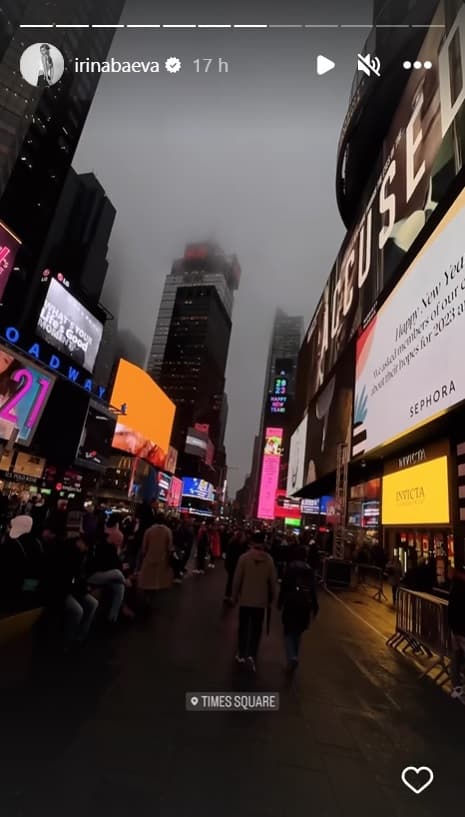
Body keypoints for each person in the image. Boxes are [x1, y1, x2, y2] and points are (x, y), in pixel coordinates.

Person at [41, 534, 99, 649]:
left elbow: (75, 577)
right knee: (78, 610)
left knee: (93, 603)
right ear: (80, 542)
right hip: (58, 590)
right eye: (86, 546)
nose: (86, 549)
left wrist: (82, 587)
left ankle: (80, 637)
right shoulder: (66, 551)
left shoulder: (80, 552)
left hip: (70, 587)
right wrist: (82, 588)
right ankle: (67, 643)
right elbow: (65, 579)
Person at [232, 530, 277, 672]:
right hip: (261, 602)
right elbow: (273, 582)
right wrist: (273, 599)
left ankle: (241, 653)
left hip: (245, 599)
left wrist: (234, 596)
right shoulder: (269, 560)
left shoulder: (244, 558)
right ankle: (252, 653)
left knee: (243, 627)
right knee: (257, 629)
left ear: (252, 543)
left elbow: (237, 579)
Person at [278, 545, 319, 668]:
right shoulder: (309, 570)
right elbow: (313, 590)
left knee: (288, 631)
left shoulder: (291, 568)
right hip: (305, 605)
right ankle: (295, 654)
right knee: (298, 631)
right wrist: (315, 606)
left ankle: (292, 656)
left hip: (291, 603)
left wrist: (280, 601)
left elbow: (284, 587)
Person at [138, 512, 174, 597]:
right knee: (157, 580)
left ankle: (145, 599)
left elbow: (144, 547)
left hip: (149, 558)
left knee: (147, 581)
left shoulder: (149, 530)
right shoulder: (168, 531)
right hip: (162, 559)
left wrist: (143, 555)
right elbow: (169, 547)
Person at [448, 565, 465, 702]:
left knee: (455, 657)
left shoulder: (454, 587)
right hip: (462, 630)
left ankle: (456, 687)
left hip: (455, 629)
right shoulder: (462, 587)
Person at [224, 529, 248, 602]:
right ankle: (232, 596)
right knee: (235, 581)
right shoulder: (239, 545)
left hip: (230, 564)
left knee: (230, 580)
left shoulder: (232, 542)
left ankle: (228, 595)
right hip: (235, 565)